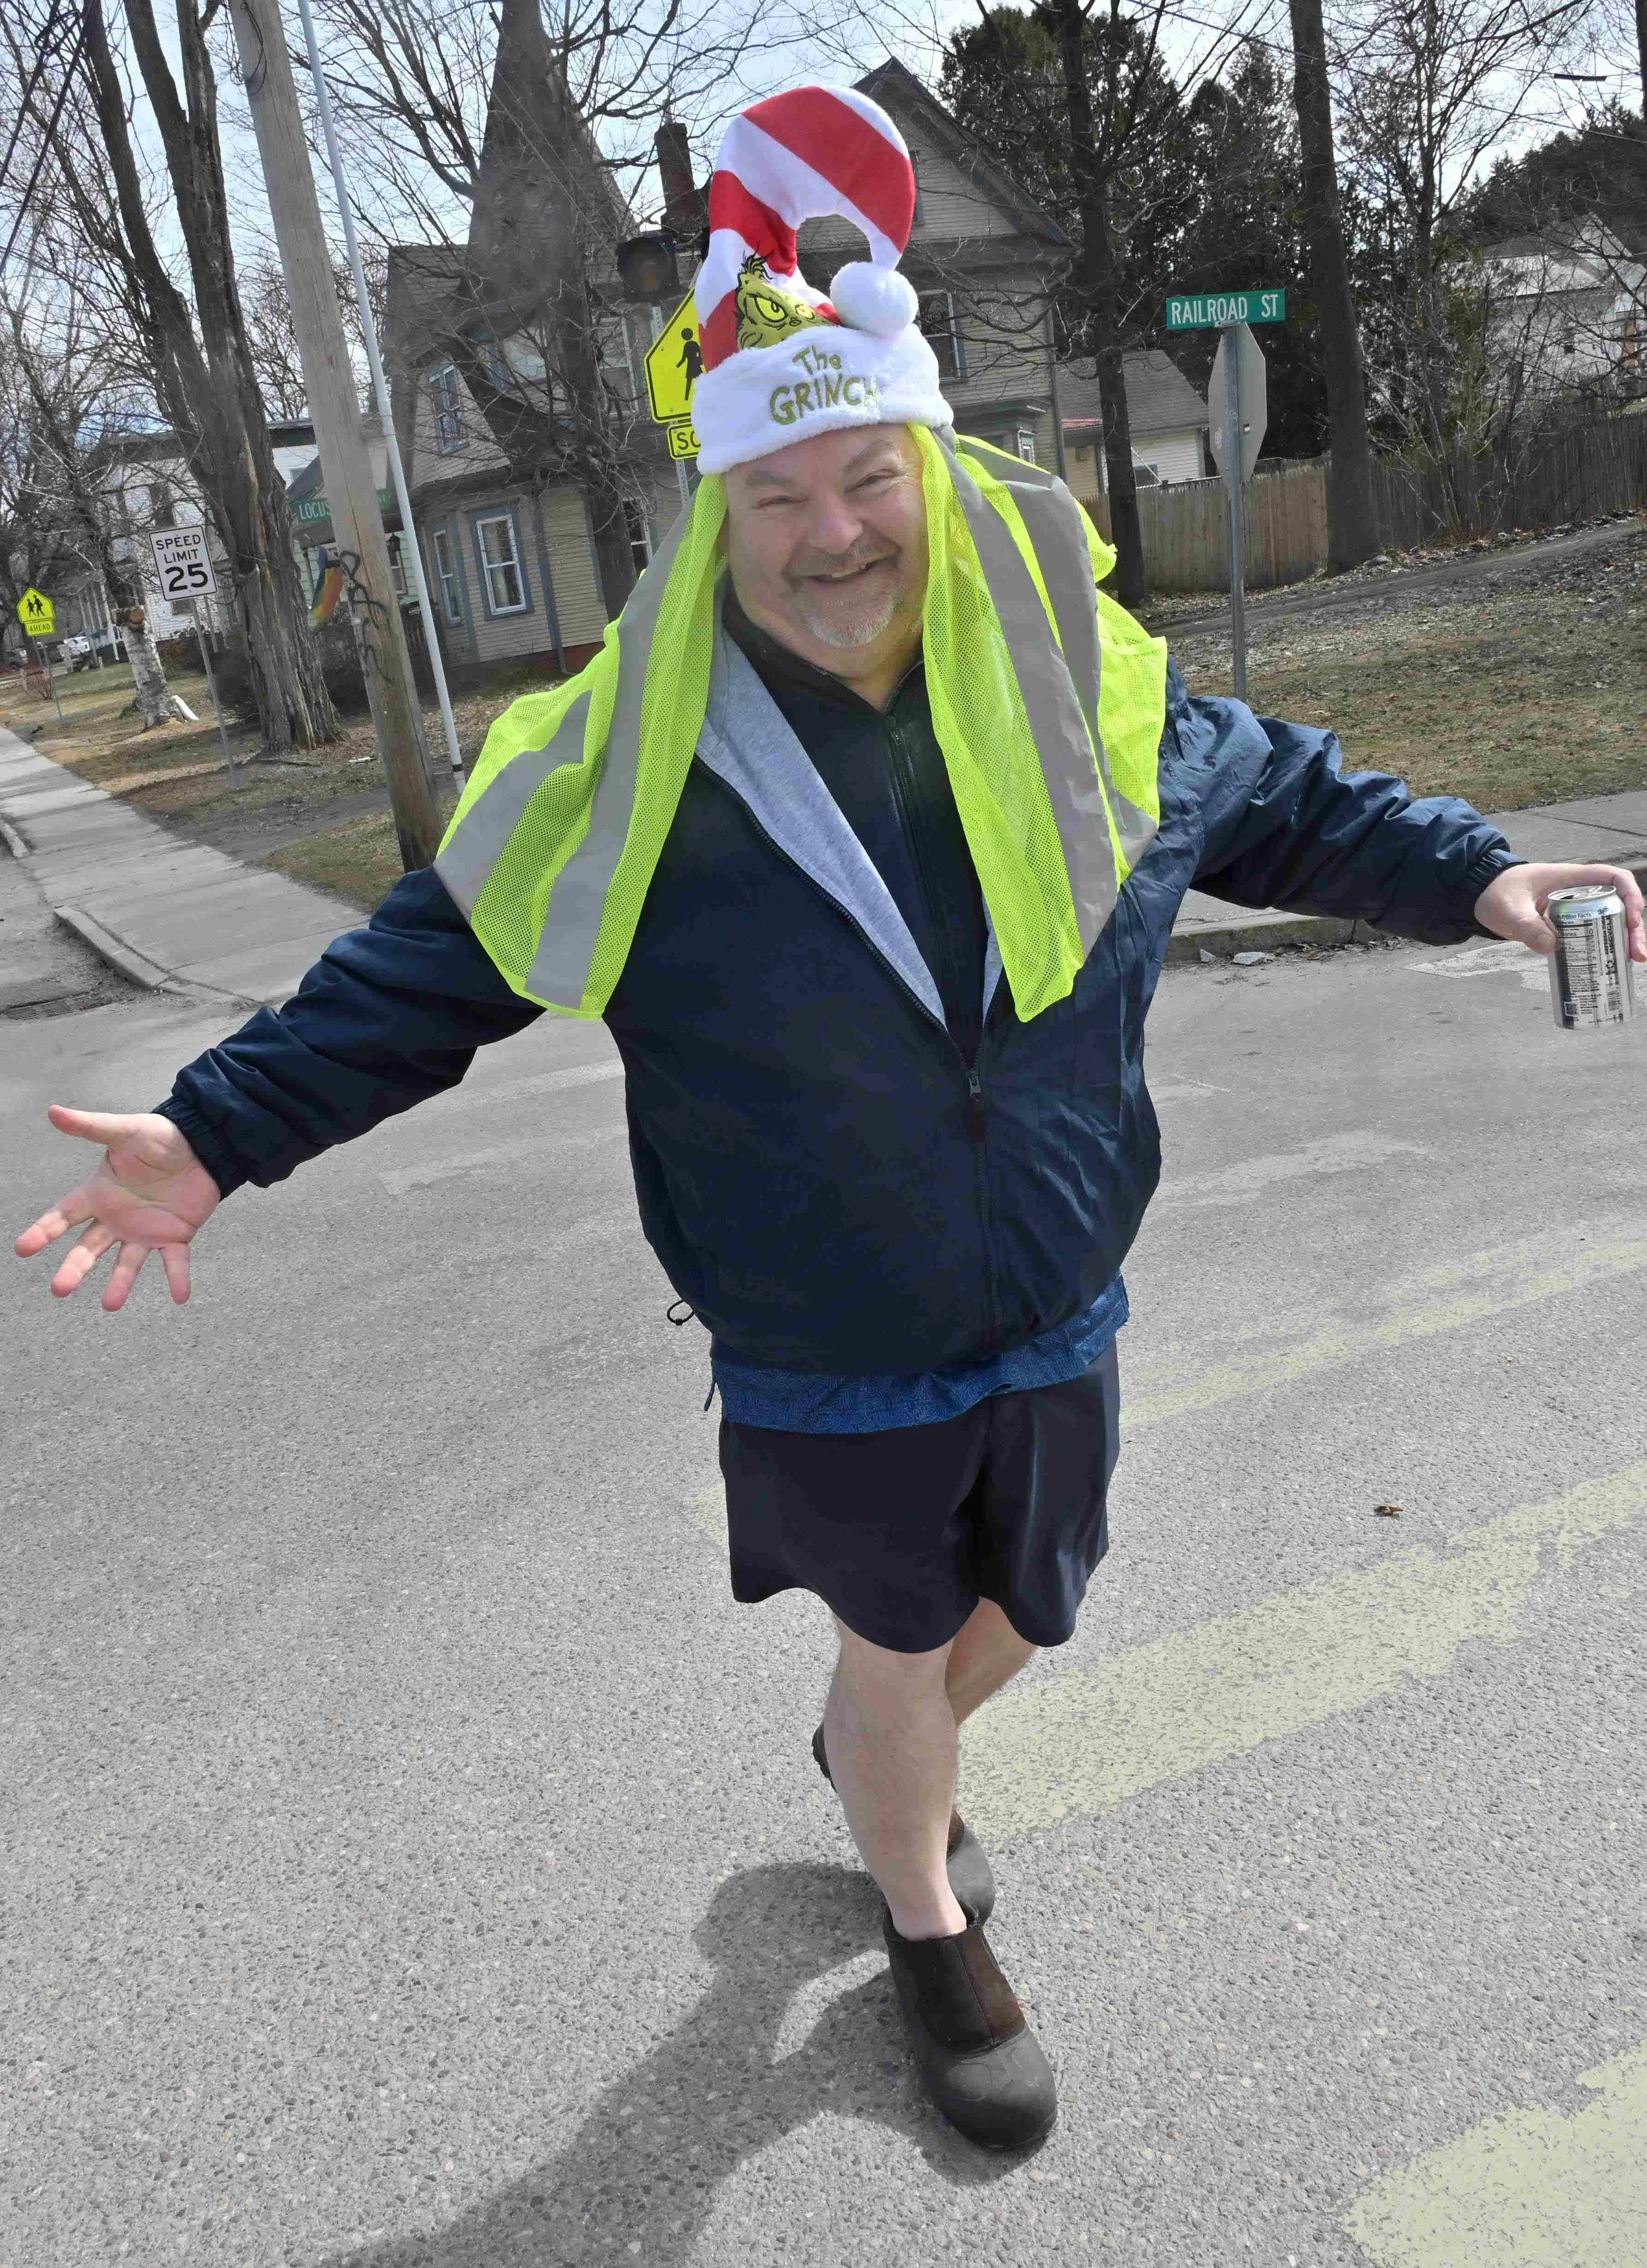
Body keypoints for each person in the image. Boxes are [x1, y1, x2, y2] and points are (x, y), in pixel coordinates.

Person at [16, 85, 1646, 2155]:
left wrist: (1481, 872)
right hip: (821, 1332)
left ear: (931, 474)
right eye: (771, 492)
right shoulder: (631, 761)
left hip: (1058, 1285)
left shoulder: (1073, 673)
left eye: (863, 478)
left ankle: (882, 1755)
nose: (828, 533)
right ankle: (921, 1903)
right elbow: (427, 969)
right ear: (711, 506)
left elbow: (1283, 797)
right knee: (900, 1648)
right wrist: (213, 1132)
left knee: (1024, 1615)